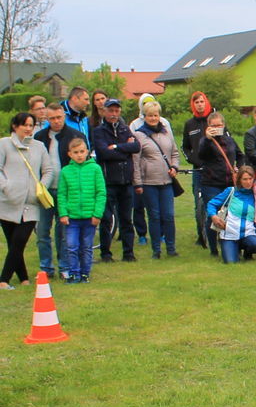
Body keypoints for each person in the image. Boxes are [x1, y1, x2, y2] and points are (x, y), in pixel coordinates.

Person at [0, 112, 56, 288]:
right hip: (7, 202)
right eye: (25, 124)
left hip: (31, 204)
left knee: (19, 242)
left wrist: (40, 187)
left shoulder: (39, 147)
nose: (28, 128)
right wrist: (6, 186)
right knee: (13, 244)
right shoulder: (4, 144)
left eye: (31, 125)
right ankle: (24, 278)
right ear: (15, 126)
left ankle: (3, 280)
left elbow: (48, 170)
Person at [34, 103, 86, 279]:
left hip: (66, 192)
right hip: (45, 191)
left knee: (63, 233)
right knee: (42, 231)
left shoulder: (75, 136)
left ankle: (64, 266)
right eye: (52, 119)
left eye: (59, 117)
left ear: (64, 116)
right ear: (46, 119)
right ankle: (46, 267)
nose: (56, 122)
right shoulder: (39, 137)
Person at [92, 98, 140, 263]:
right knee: (106, 219)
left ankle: (128, 253)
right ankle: (106, 253)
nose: (114, 114)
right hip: (108, 182)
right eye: (111, 111)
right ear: (104, 111)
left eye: (116, 111)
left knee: (127, 219)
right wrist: (123, 150)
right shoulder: (99, 131)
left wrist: (117, 147)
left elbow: (136, 147)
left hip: (126, 182)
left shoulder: (125, 129)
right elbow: (104, 153)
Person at [131, 101, 181, 259]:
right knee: (154, 216)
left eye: (156, 115)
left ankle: (171, 249)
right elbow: (136, 161)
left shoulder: (166, 132)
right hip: (148, 182)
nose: (153, 118)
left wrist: (174, 167)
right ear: (144, 116)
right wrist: (137, 182)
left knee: (168, 216)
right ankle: (156, 250)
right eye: (150, 115)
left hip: (166, 181)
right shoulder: (139, 134)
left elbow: (174, 153)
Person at [57, 137, 106, 283]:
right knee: (71, 246)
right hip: (72, 217)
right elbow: (62, 194)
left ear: (87, 152)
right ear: (70, 154)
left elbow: (101, 192)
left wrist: (97, 213)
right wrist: (63, 213)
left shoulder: (95, 169)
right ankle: (73, 273)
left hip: (89, 216)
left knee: (86, 247)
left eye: (82, 151)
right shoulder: (66, 171)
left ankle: (85, 273)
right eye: (76, 152)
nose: (79, 155)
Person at [198, 110, 241, 257]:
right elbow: (201, 155)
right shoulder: (205, 141)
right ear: (208, 126)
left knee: (230, 215)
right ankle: (213, 249)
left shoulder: (230, 140)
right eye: (213, 125)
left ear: (224, 125)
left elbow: (240, 155)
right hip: (211, 183)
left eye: (219, 125)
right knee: (213, 214)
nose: (216, 127)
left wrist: (239, 168)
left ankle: (228, 244)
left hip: (228, 183)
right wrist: (207, 139)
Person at [207, 167, 256, 263]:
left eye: (250, 179)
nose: (248, 182)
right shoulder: (231, 191)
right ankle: (232, 248)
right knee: (230, 262)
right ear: (239, 180)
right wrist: (213, 216)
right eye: (245, 179)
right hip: (229, 234)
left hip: (248, 233)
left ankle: (247, 253)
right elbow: (212, 203)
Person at [183, 91, 216, 250]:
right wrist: (193, 160)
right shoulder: (189, 124)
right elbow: (185, 147)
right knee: (199, 204)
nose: (200, 104)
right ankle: (200, 236)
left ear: (206, 102)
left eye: (202, 101)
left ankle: (216, 234)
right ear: (193, 105)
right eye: (196, 102)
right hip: (198, 170)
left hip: (215, 170)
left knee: (216, 202)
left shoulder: (214, 120)